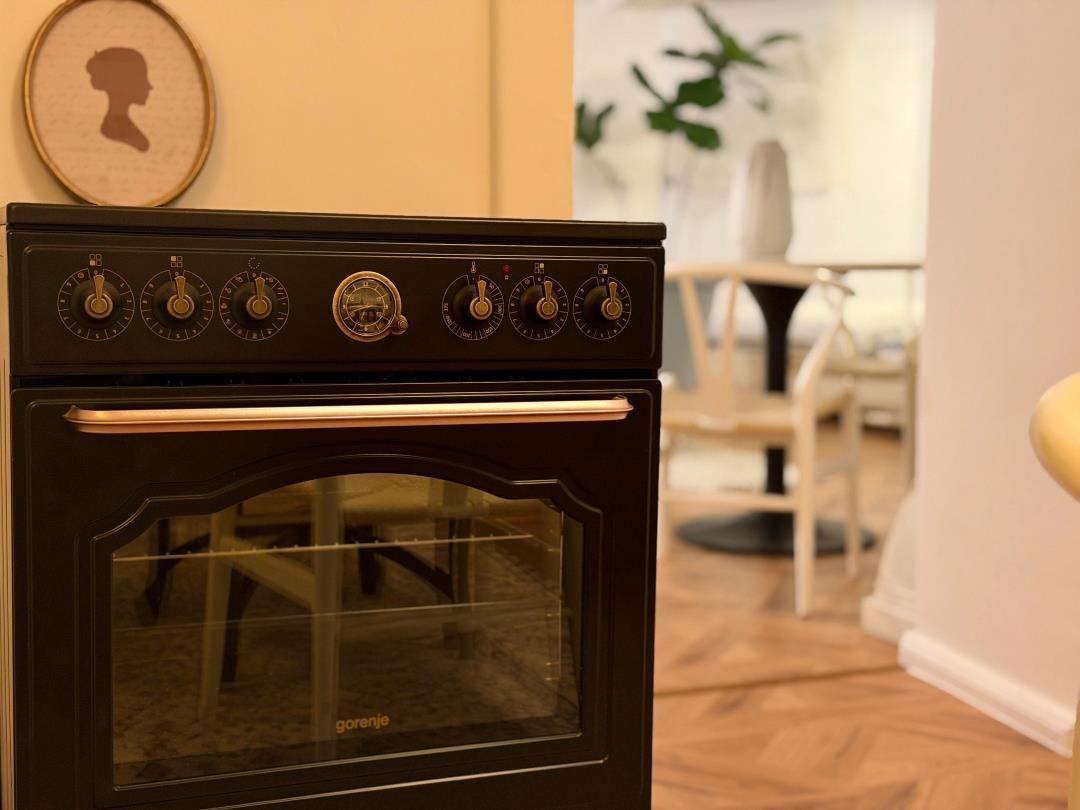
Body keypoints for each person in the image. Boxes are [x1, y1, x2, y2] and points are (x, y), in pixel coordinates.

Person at [86, 47, 152, 152]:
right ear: (123, 83)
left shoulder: (121, 125)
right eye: (141, 77)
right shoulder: (114, 128)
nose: (149, 86)